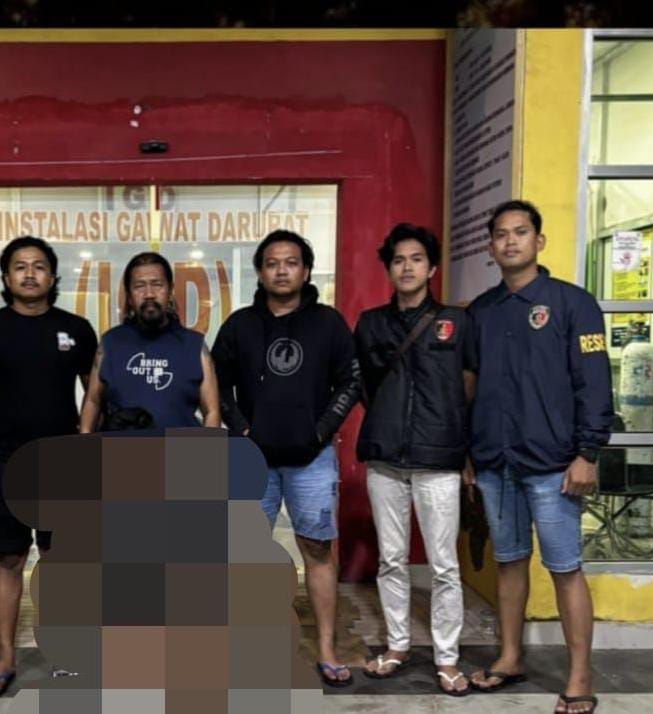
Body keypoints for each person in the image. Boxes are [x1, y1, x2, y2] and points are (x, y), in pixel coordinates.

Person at [466, 200, 611, 714]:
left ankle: (580, 675)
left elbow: (594, 384)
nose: (510, 241)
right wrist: (469, 452)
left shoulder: (573, 304)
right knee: (508, 563)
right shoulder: (481, 311)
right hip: (496, 462)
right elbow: (470, 386)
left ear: (539, 241)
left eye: (521, 232)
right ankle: (510, 658)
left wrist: (587, 452)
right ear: (491, 247)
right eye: (501, 234)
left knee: (565, 568)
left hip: (554, 465)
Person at [211, 230, 360, 687]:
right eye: (272, 263)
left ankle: (327, 649)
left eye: (291, 262)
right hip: (251, 459)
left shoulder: (328, 323)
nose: (281, 270)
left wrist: (320, 430)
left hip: (312, 459)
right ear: (260, 272)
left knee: (317, 550)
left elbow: (351, 381)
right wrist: (242, 429)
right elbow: (216, 383)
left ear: (306, 271)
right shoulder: (239, 325)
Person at [0, 236, 97, 697]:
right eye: (20, 266)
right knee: (10, 559)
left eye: (39, 266)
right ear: (6, 277)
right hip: (6, 462)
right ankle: (5, 658)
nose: (30, 273)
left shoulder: (76, 329)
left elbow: (95, 398)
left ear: (52, 276)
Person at [353, 224, 475, 696]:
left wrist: (457, 439)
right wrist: (388, 420)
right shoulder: (370, 323)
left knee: (444, 564)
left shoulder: (457, 322)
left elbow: (469, 384)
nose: (407, 267)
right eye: (399, 260)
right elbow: (364, 386)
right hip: (385, 457)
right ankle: (398, 645)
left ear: (432, 268)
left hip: (439, 458)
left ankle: (447, 657)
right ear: (389, 269)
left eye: (416, 259)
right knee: (391, 560)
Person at [79, 251, 220, 432]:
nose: (149, 294)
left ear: (170, 290)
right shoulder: (110, 343)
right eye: (139, 286)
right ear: (129, 295)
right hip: (119, 449)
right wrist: (84, 442)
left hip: (181, 450)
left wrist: (209, 449)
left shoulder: (195, 346)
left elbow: (212, 411)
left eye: (157, 284)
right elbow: (92, 401)